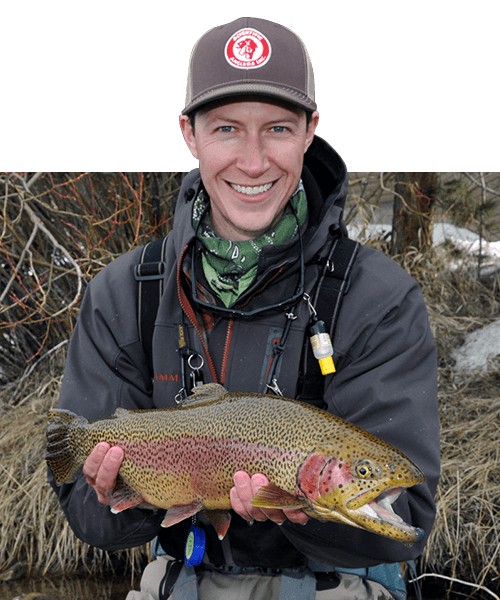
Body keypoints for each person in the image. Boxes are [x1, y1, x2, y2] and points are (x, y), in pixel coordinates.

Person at [48, 16, 440, 600]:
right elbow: (87, 513)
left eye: (277, 129)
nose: (253, 163)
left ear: (309, 131)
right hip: (178, 580)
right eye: (227, 129)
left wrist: (303, 511)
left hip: (337, 584)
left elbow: (407, 517)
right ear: (189, 134)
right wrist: (128, 496)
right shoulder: (126, 292)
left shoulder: (378, 298)